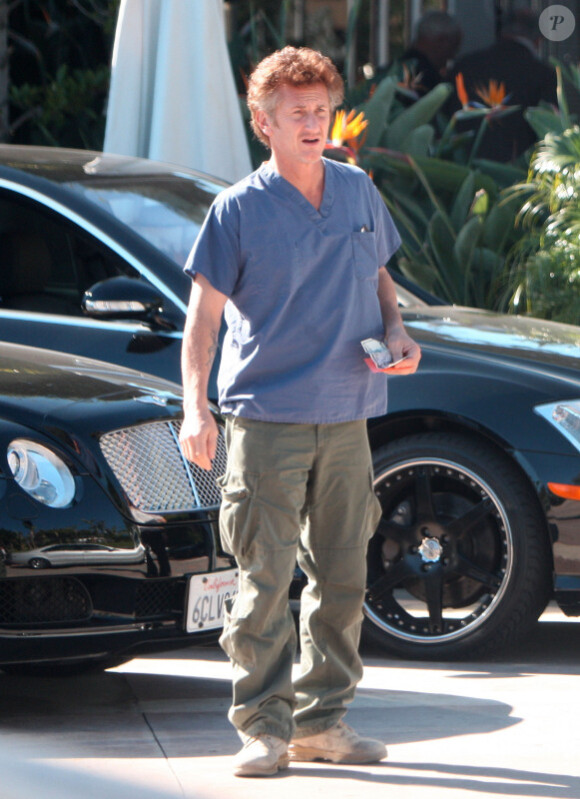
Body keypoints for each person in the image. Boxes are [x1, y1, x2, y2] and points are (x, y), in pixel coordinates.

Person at [179, 46, 421, 779]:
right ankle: (261, 727)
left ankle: (322, 722)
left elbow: (381, 281)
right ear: (264, 123)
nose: (313, 123)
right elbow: (202, 323)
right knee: (262, 581)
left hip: (350, 415)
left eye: (320, 109)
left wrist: (401, 332)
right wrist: (197, 409)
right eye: (297, 112)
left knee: (344, 576)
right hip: (267, 419)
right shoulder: (237, 210)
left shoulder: (356, 192)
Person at [449, 9, 557, 162]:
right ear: (538, 40)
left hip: (462, 168)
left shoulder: (465, 66)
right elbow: (550, 129)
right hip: (518, 172)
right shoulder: (542, 73)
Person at [374, 10, 461, 96]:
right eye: (454, 47)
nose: (453, 56)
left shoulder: (390, 70)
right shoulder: (427, 78)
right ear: (441, 41)